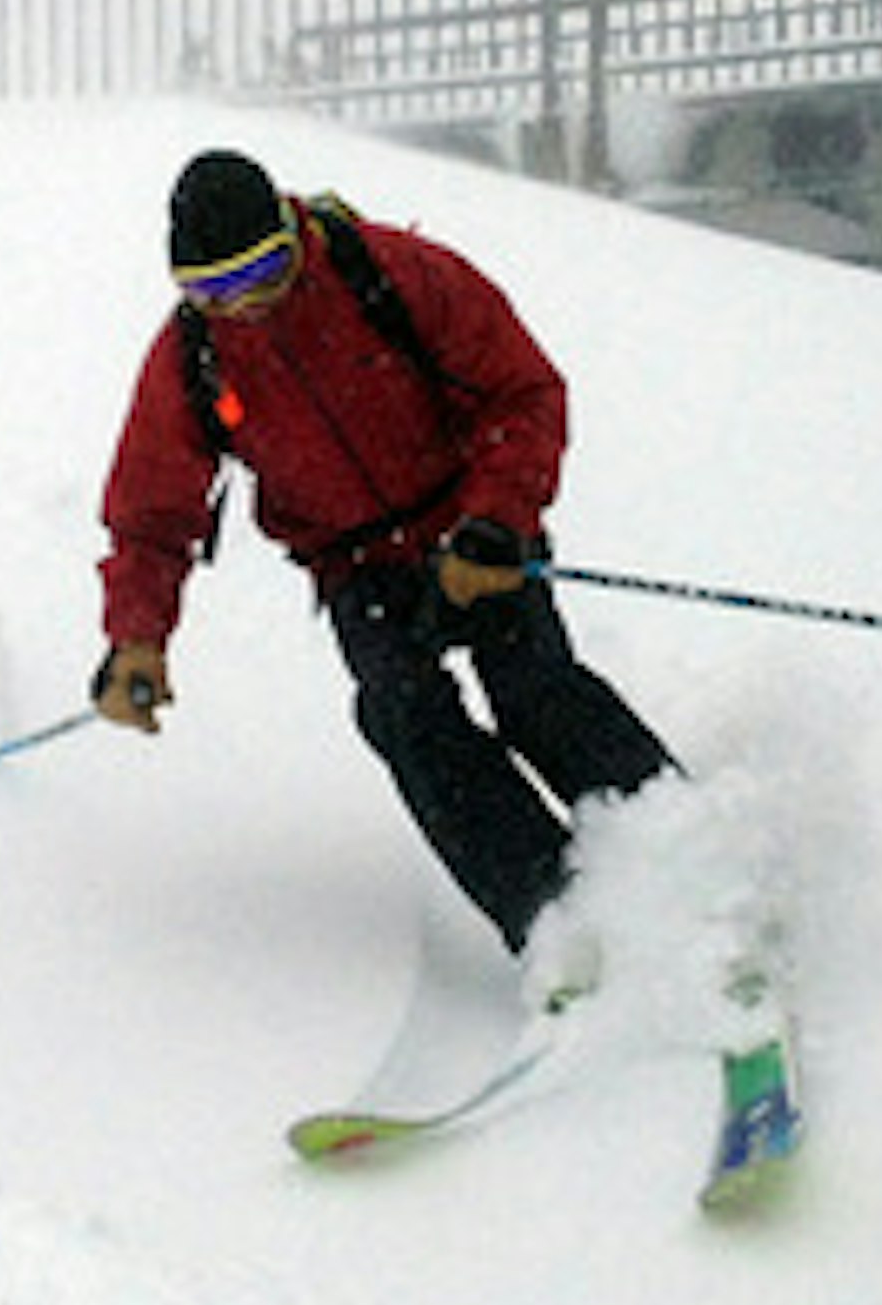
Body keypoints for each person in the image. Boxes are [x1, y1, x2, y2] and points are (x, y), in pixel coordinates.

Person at [93, 147, 673, 979]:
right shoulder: (194, 357)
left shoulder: (393, 274)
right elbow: (151, 514)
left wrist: (494, 526)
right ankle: (557, 914)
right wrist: (137, 638)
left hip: (470, 531)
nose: (246, 305)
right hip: (355, 565)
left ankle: (686, 853)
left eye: (263, 272)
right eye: (213, 290)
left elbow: (525, 392)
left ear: (292, 234)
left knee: (534, 689)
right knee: (404, 714)